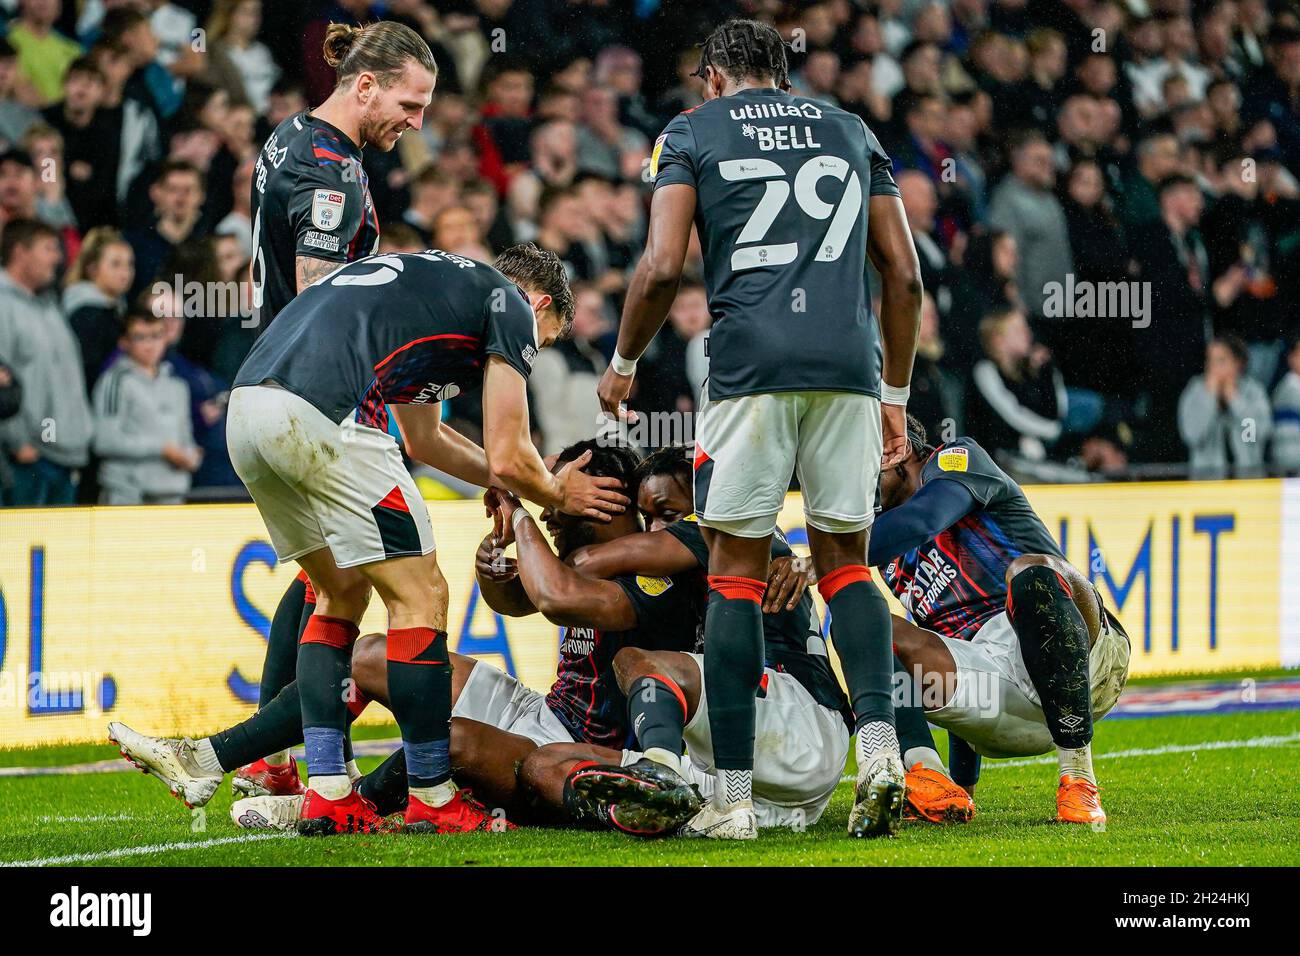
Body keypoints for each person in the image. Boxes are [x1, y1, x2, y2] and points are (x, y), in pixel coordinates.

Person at [112, 244, 626, 837]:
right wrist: (558, 494)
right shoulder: (510, 305)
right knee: (422, 596)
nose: (530, 352)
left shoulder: (433, 295)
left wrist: (503, 482)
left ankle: (329, 796)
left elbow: (426, 440)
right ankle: (434, 799)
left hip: (249, 411)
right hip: (329, 415)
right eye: (545, 337)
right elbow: (511, 453)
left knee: (340, 591)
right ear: (536, 302)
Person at [596, 18, 922, 839]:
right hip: (849, 366)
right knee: (845, 564)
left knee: (735, 572)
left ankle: (735, 800)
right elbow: (905, 276)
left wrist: (625, 363)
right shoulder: (850, 129)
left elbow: (663, 265)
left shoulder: (691, 131)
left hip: (749, 368)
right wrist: (895, 391)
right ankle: (882, 750)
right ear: (783, 73)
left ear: (711, 77)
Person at [111, 441, 701, 829]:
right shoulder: (577, 551)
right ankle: (226, 759)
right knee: (371, 655)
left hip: (595, 747)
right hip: (545, 711)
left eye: (563, 492)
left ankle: (343, 803)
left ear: (603, 501)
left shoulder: (654, 565)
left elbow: (553, 598)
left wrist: (521, 515)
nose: (552, 505)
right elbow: (513, 600)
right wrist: (493, 561)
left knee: (450, 740)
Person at [872, 416, 1131, 825]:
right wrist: (964, 782)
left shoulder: (956, 457)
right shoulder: (886, 552)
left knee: (1031, 572)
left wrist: (832, 554)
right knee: (869, 623)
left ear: (898, 451)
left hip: (1087, 668)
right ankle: (930, 778)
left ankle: (1079, 778)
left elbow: (923, 520)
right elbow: (951, 641)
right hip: (1000, 701)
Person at [250, 20, 437, 332]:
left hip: (271, 359)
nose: (417, 123)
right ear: (365, 87)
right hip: (301, 376)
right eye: (408, 106)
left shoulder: (293, 129)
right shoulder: (330, 176)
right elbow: (319, 313)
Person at [0, 218, 91, 507]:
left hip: (64, 456)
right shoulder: (3, 304)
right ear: (20, 252)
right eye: (48, 248)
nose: (58, 257)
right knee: (19, 550)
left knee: (63, 551)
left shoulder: (50, 306)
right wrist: (16, 442)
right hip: (29, 458)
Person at [91, 311, 199, 504]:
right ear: (124, 342)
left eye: (156, 336)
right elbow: (105, 440)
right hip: (129, 494)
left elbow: (185, 438)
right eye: (140, 337)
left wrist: (191, 456)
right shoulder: (115, 381)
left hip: (172, 493)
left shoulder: (178, 385)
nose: (150, 345)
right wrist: (162, 449)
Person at [1178, 335, 1272, 480]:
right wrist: (1209, 398)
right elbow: (1193, 435)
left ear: (1238, 363)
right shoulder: (1195, 391)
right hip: (1208, 485)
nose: (1213, 367)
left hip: (1248, 483)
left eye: (1221, 360)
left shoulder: (1253, 391)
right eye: (1210, 360)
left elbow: (1256, 435)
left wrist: (1235, 400)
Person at [63, 226, 134, 391]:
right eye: (115, 264)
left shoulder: (115, 308)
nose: (125, 272)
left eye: (129, 264)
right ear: (92, 269)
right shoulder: (87, 314)